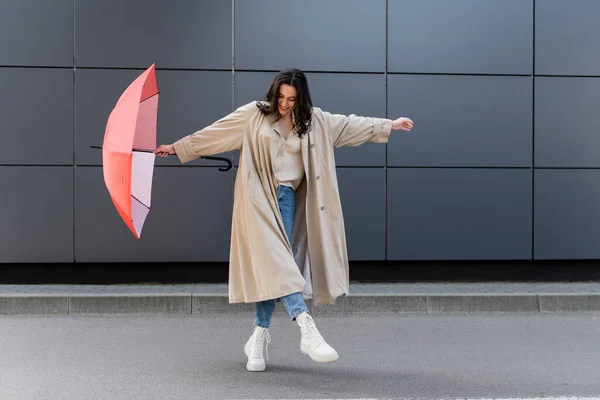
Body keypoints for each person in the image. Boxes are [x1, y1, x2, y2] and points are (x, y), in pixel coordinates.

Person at [155, 68, 413, 372]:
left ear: (300, 98)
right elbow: (216, 132)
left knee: (275, 265)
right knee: (277, 261)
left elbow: (348, 124)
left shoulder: (315, 121)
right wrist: (178, 148)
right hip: (257, 195)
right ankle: (306, 326)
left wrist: (388, 125)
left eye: (291, 99)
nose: (285, 103)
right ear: (274, 92)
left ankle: (258, 338)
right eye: (281, 97)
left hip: (288, 197)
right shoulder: (254, 114)